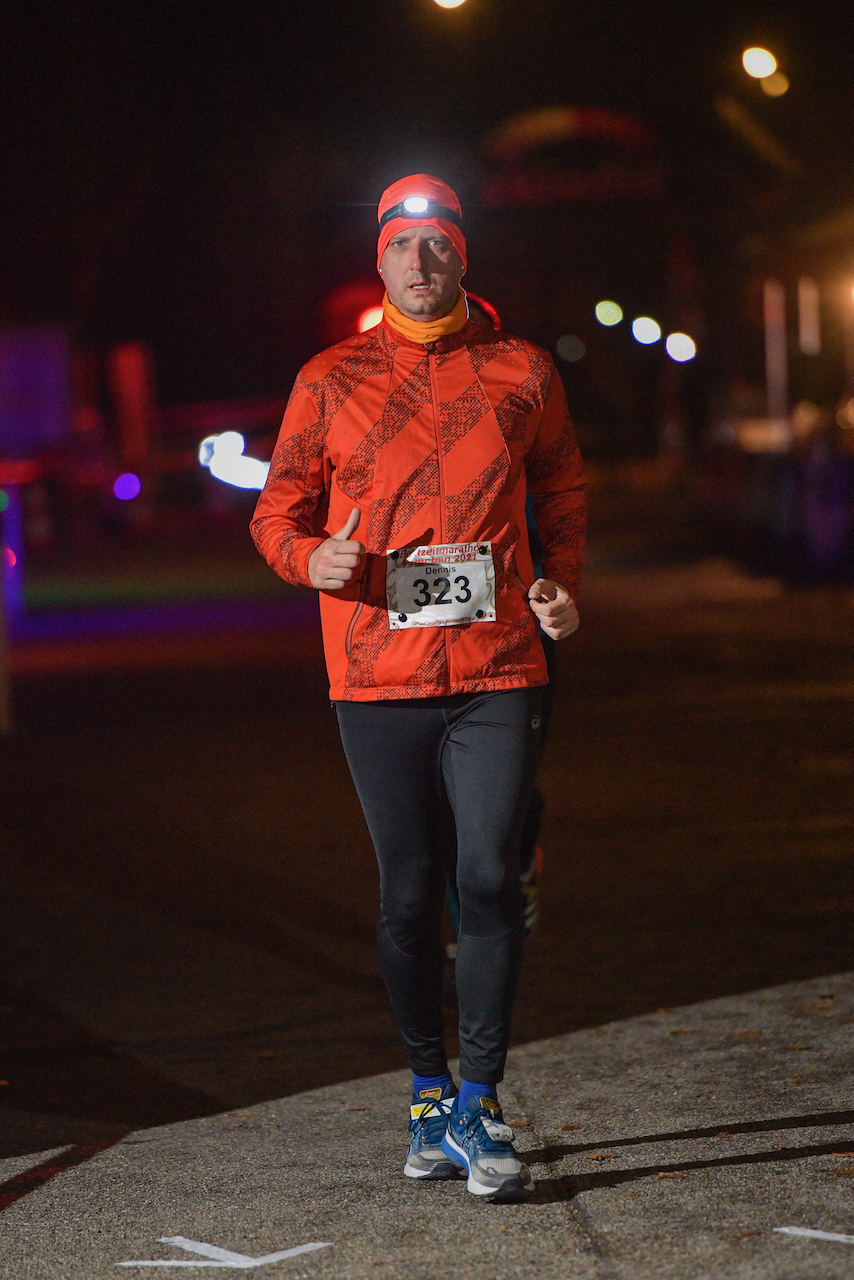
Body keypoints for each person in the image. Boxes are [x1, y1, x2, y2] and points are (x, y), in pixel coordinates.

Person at [251, 173, 586, 1202]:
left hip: (496, 665)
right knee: (405, 893)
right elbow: (278, 513)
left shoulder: (521, 370)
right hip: (374, 670)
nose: (421, 259)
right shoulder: (329, 379)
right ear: (380, 258)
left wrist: (563, 585)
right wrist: (307, 561)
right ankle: (426, 1093)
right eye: (404, 244)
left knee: (485, 876)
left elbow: (563, 486)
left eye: (439, 242)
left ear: (461, 257)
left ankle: (480, 1102)